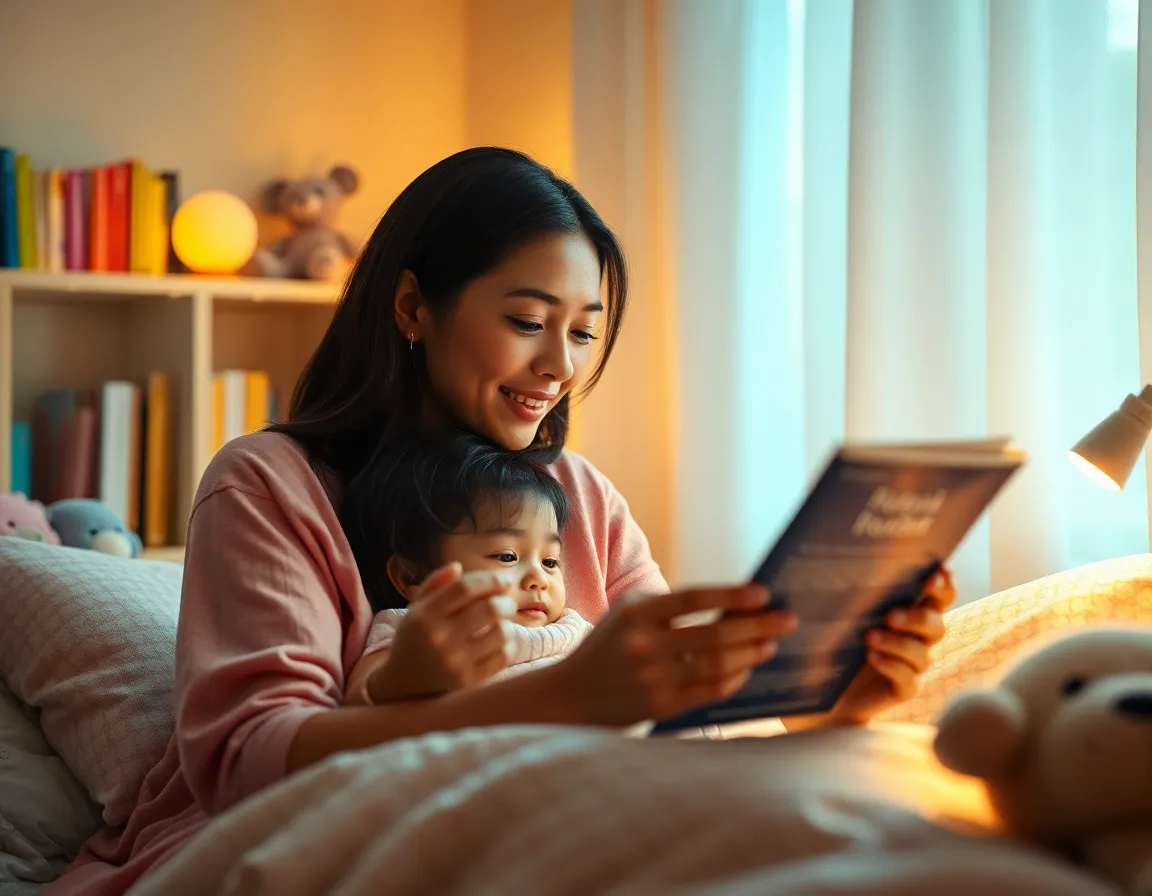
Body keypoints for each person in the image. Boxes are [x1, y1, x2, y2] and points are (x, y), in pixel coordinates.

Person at [48, 147, 953, 895]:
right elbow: (247, 761)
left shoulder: (582, 495)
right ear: (412, 307)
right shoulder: (269, 484)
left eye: (585, 332)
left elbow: (693, 721)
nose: (559, 364)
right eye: (527, 319)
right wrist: (565, 697)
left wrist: (839, 703)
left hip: (567, 828)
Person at [341, 429, 593, 707]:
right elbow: (361, 698)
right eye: (507, 556)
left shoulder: (574, 630)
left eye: (550, 562)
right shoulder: (414, 632)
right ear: (414, 576)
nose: (539, 579)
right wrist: (402, 675)